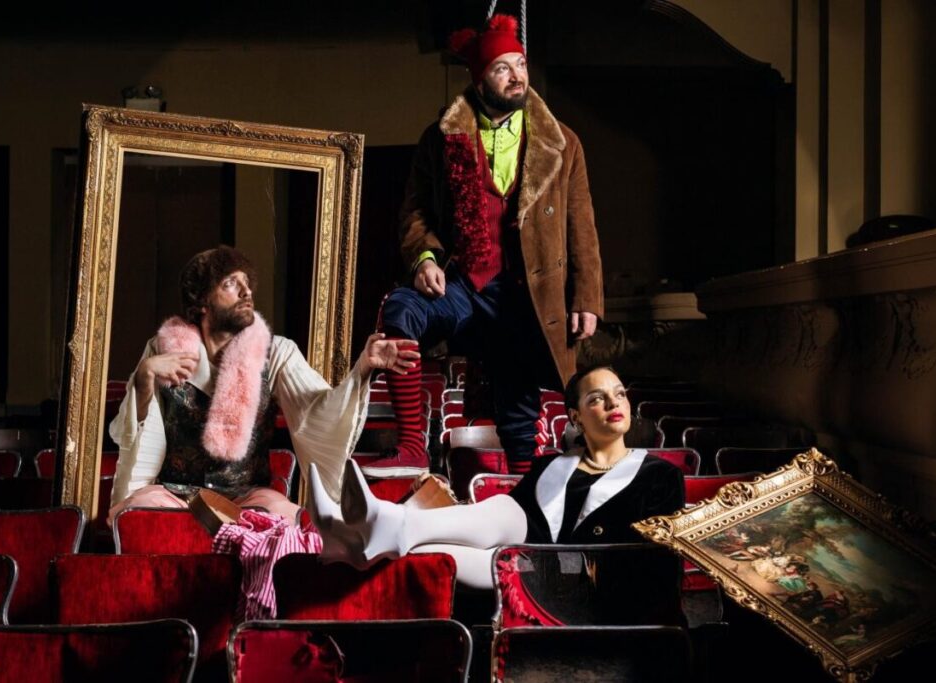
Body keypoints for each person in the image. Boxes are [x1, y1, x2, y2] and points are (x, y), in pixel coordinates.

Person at [366, 13, 603, 478]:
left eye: (521, 64)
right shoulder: (440, 138)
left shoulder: (564, 142)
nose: (517, 76)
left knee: (518, 405)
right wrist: (425, 258)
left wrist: (586, 297)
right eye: (502, 68)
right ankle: (412, 447)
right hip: (464, 282)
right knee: (402, 309)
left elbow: (582, 223)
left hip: (527, 291)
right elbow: (415, 211)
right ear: (479, 80)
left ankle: (524, 489)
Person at [107, 245, 419, 522]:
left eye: (247, 283)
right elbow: (134, 435)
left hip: (247, 497)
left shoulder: (277, 352)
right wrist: (144, 377)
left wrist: (363, 367)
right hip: (176, 496)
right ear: (201, 301)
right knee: (138, 511)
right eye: (231, 283)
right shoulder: (162, 349)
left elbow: (317, 411)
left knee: (284, 517)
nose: (246, 292)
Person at [308, 366, 685, 588]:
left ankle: (371, 532)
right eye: (597, 398)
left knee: (485, 546)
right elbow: (498, 522)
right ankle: (363, 537)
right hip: (524, 558)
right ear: (576, 417)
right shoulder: (551, 467)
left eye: (619, 394)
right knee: (492, 516)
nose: (614, 403)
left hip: (587, 581)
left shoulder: (659, 476)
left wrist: (559, 560)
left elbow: (648, 567)